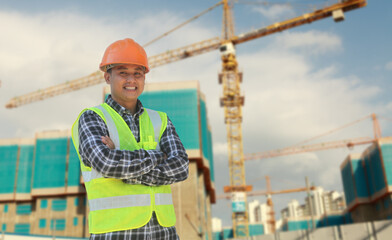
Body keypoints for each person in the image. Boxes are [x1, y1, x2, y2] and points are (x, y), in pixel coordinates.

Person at [71, 38, 189, 240]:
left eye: (138, 74)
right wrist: (157, 156)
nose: (131, 80)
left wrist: (124, 171)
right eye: (123, 73)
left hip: (163, 232)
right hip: (114, 232)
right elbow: (107, 163)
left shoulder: (159, 119)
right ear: (108, 77)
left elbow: (181, 168)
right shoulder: (92, 117)